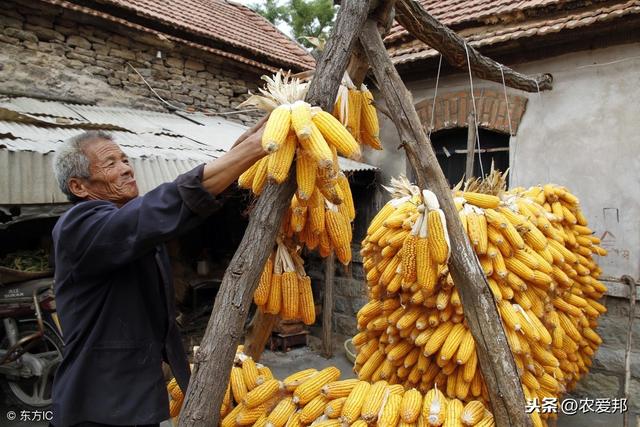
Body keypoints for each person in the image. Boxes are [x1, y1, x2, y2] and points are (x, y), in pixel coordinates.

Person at [49, 124, 265, 427]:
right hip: (97, 403)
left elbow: (156, 216)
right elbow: (155, 211)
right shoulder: (79, 226)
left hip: (132, 398)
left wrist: (241, 154)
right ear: (79, 187)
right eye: (111, 163)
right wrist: (250, 150)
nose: (127, 168)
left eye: (125, 160)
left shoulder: (129, 223)